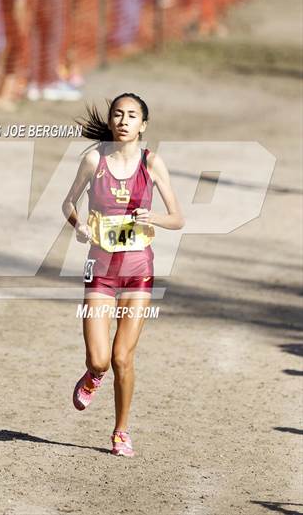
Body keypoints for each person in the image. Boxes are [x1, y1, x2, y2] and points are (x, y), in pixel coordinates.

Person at [62, 93, 184, 456]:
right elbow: (68, 202)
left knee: (122, 357)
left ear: (143, 125)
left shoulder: (153, 162)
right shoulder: (93, 159)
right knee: (99, 360)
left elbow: (177, 218)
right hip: (99, 268)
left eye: (132, 115)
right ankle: (92, 376)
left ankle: (121, 431)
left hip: (137, 270)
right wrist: (78, 225)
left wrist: (155, 218)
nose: (124, 120)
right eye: (118, 114)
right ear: (112, 121)